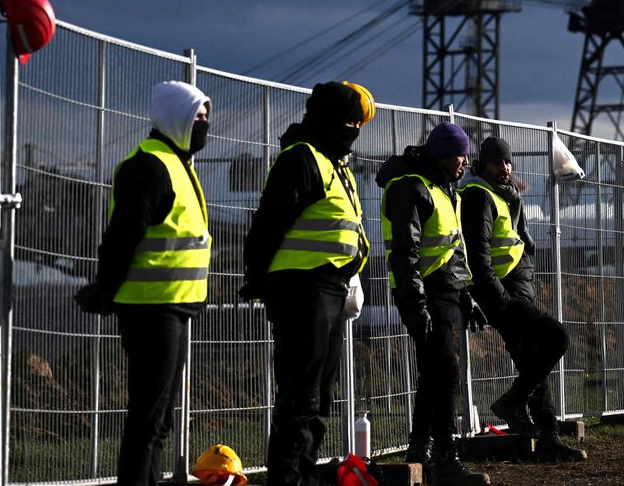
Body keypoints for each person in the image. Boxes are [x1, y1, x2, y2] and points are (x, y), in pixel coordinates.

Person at [241, 82, 375, 486]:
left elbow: (348, 228)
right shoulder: (302, 159)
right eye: (351, 119)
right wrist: (257, 278)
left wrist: (352, 273)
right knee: (301, 394)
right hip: (303, 290)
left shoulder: (335, 163)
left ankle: (304, 474)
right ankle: (286, 478)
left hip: (332, 288)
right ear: (329, 116)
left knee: (320, 394)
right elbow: (268, 224)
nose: (355, 128)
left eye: (360, 121)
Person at [90, 81, 211, 486]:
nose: (204, 126)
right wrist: (106, 288)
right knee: (147, 418)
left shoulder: (176, 164)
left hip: (172, 308)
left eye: (206, 118)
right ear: (176, 117)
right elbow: (123, 233)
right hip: (150, 309)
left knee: (158, 420)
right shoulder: (149, 166)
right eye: (198, 117)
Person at [459, 136, 585, 461]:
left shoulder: (507, 195)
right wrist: (500, 300)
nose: (505, 167)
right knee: (557, 339)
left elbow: (513, 242)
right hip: (501, 295)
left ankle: (548, 437)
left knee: (533, 362)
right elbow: (478, 256)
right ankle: (514, 404)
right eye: (497, 162)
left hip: (516, 291)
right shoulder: (477, 195)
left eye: (507, 161)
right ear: (483, 164)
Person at [378, 122, 490, 486]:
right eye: (461, 154)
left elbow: (451, 248)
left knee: (433, 373)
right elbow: (405, 254)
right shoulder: (411, 187)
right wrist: (416, 305)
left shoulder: (442, 188)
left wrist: (465, 295)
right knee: (445, 374)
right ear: (443, 154)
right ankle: (446, 459)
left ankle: (420, 451)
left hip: (443, 293)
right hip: (423, 295)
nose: (465, 161)